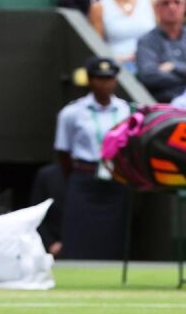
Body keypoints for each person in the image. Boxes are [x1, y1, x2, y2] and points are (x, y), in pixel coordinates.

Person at [53, 56, 132, 260]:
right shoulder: (72, 112)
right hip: (84, 176)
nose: (104, 83)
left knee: (114, 232)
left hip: (116, 176)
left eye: (109, 78)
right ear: (90, 80)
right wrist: (76, 176)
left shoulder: (126, 111)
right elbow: (63, 151)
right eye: (99, 78)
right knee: (79, 230)